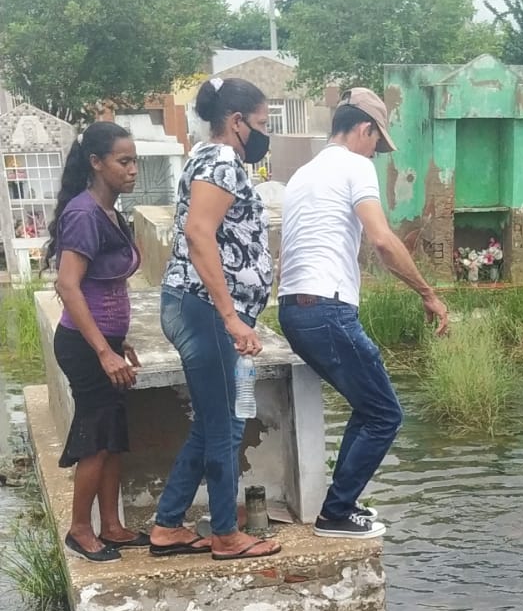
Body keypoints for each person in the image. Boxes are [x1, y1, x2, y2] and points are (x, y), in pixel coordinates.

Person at [278, 87, 449, 539]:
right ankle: (335, 514)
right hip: (327, 310)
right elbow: (382, 240)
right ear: (363, 129)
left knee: (368, 405)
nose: (376, 153)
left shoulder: (303, 174)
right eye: (377, 142)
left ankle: (343, 506)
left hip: (294, 308)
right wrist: (427, 293)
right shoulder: (354, 166)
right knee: (385, 414)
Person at [149, 76, 281, 561]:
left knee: (210, 424)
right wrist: (230, 316)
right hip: (202, 309)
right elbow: (199, 232)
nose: (265, 133)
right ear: (236, 121)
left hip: (196, 305)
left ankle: (167, 525)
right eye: (263, 123)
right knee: (225, 424)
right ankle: (226, 534)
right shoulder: (222, 161)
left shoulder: (206, 157)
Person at [47, 121, 145, 562]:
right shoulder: (85, 214)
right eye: (123, 162)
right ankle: (81, 529)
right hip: (85, 348)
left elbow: (103, 287)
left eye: (134, 161)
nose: (132, 170)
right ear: (96, 163)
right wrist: (103, 350)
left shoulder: (109, 212)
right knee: (96, 435)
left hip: (104, 341)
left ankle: (112, 525)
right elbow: (69, 286)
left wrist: (115, 341)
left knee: (112, 435)